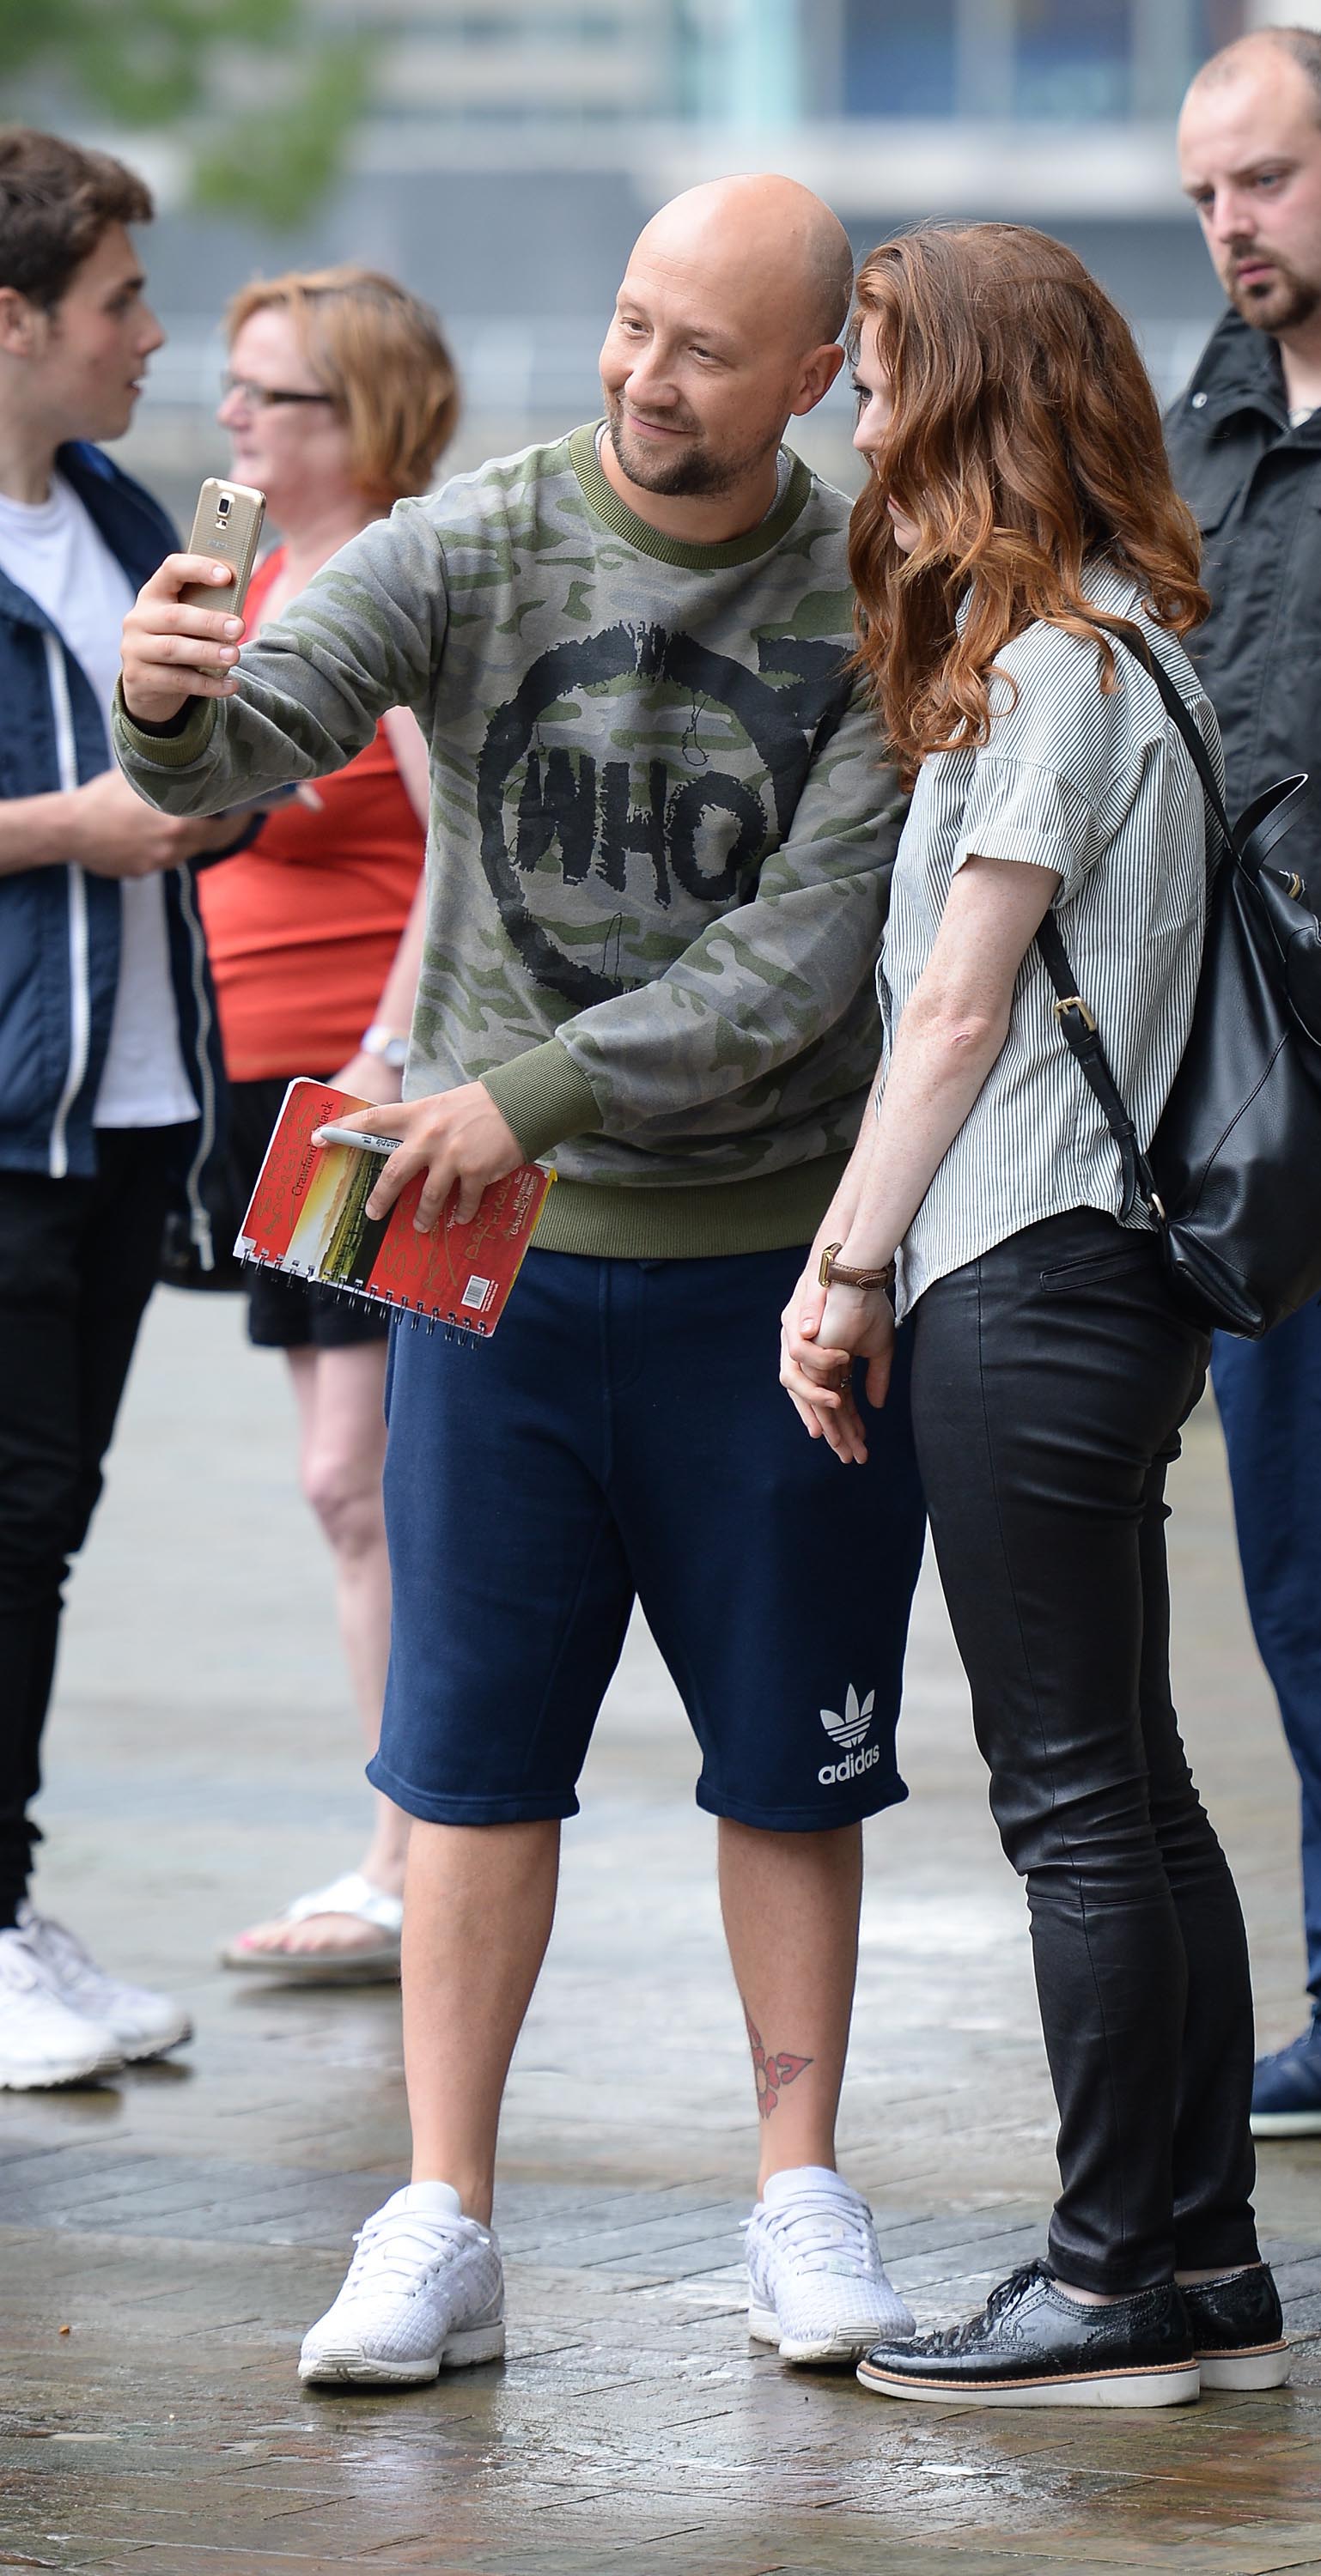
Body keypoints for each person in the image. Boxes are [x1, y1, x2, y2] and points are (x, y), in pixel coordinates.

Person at [113, 175, 929, 2387]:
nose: (647, 378)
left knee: (794, 1760)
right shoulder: (483, 536)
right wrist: (177, 708)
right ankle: (438, 2215)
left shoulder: (873, 581)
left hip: (772, 1260)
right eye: (632, 325)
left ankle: (798, 2193)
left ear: (814, 374)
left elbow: (806, 957)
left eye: (701, 349)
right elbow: (262, 729)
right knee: (467, 1768)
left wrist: (530, 1090)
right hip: (479, 1255)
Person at [782, 222, 1287, 2408]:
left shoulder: (1059, 672)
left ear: (974, 399)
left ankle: (1106, 2279)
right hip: (1094, 1276)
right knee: (1140, 1792)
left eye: (883, 380)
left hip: (1024, 1264)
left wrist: (845, 1266)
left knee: (1074, 1799)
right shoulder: (1132, 650)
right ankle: (1198, 2267)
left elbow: (962, 1010)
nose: (858, 419)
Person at [0, 130, 247, 2088]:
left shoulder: (115, 513)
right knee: (9, 1530)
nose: (153, 338)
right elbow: (88, 818)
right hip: (12, 1112)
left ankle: (12, 1911)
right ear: (13, 322)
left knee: (49, 1524)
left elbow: (185, 771)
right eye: (119, 307)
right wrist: (65, 830)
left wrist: (216, 788)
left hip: (135, 1102)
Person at [202, 266, 457, 1982]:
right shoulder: (257, 583)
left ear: (351, 415)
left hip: (353, 1099)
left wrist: (387, 1051)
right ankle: (404, 1846)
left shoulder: (406, 588)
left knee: (360, 1481)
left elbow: (464, 851)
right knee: (343, 1488)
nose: (230, 421)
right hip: (253, 1089)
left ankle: (411, 1854)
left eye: (267, 395)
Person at [1171, 22, 1321, 2140]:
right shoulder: (1194, 424)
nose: (1233, 223)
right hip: (1268, 1121)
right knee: (1309, 1571)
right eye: (1210, 190)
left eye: (1271, 181)